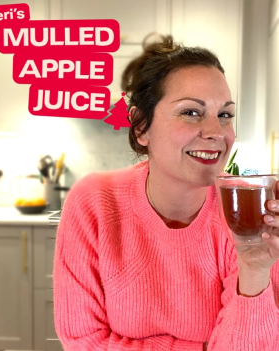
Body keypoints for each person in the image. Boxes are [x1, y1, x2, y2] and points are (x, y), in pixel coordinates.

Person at [53, 37, 279, 350]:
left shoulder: (246, 214)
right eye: (190, 112)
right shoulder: (93, 203)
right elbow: (83, 341)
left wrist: (254, 269)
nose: (216, 132)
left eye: (225, 114)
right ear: (141, 126)